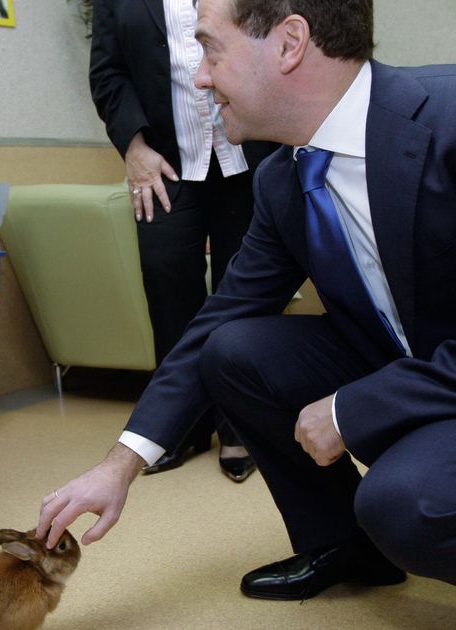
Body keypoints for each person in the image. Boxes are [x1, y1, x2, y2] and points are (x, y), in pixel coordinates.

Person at [39, 1, 456, 629]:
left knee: (408, 505)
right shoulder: (283, 178)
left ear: (290, 43)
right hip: (425, 358)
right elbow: (218, 319)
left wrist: (352, 409)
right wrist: (121, 464)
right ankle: (347, 546)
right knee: (232, 351)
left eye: (209, 48)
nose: (199, 77)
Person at [88, 0, 279, 481]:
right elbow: (108, 72)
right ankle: (178, 429)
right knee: (166, 283)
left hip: (248, 155)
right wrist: (134, 148)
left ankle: (239, 426)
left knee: (247, 293)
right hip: (163, 164)